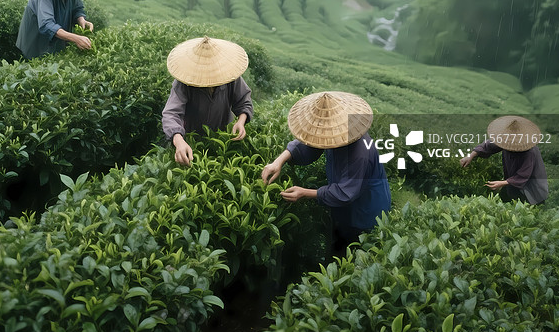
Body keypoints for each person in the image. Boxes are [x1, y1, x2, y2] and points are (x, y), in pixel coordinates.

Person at [262, 91, 391, 254]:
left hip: (365, 208)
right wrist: (278, 161)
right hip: (344, 204)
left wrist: (304, 193)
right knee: (337, 245)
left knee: (355, 252)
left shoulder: (360, 153)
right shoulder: (333, 134)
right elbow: (309, 145)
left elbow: (346, 192)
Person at [162, 35, 253, 166]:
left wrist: (241, 121)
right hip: (191, 142)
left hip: (223, 140)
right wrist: (178, 139)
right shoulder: (184, 83)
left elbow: (243, 100)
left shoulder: (229, 76)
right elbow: (171, 114)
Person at [459, 115, 548, 205]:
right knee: (506, 199)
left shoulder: (530, 152)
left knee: (528, 209)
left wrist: (502, 183)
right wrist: (471, 156)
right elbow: (488, 145)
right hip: (512, 182)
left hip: (531, 188)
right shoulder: (506, 139)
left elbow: (523, 175)